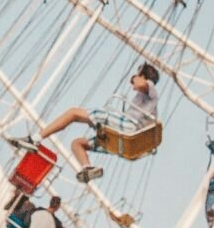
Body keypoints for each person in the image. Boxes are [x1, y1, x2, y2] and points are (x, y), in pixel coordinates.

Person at [23, 61, 162, 183]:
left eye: (138, 75)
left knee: (73, 113)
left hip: (128, 128)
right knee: (77, 143)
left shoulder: (151, 91)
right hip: (122, 142)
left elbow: (142, 84)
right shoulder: (141, 98)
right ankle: (87, 168)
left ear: (143, 76)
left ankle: (35, 138)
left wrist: (135, 77)